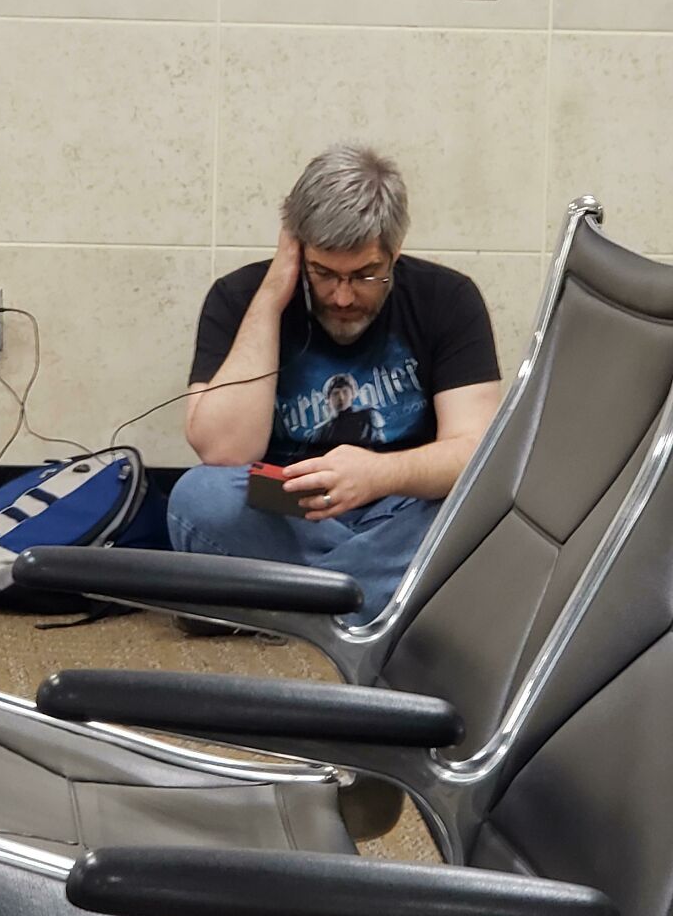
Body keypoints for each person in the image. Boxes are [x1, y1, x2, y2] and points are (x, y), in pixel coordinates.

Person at [168, 143, 502, 623]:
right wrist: (273, 295)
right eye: (324, 273)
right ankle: (375, 604)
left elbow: (475, 453)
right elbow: (223, 451)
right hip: (288, 507)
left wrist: (378, 474)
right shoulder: (238, 297)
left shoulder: (448, 298)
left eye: (365, 275)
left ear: (394, 252)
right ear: (298, 248)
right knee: (198, 497)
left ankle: (281, 608)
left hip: (400, 508)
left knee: (482, 517)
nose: (342, 297)